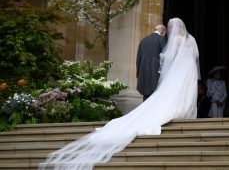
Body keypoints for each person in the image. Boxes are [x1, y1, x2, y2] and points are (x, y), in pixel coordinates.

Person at [38, 17, 200, 170]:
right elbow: (194, 56)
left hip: (158, 71)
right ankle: (184, 111)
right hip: (187, 70)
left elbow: (151, 58)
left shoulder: (152, 40)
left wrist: (140, 73)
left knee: (165, 95)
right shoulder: (189, 40)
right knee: (184, 92)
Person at [136, 25, 167, 101]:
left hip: (143, 71)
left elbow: (138, 59)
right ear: (162, 31)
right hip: (156, 71)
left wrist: (138, 74)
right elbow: (165, 57)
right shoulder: (161, 39)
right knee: (155, 97)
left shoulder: (143, 40)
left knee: (146, 97)